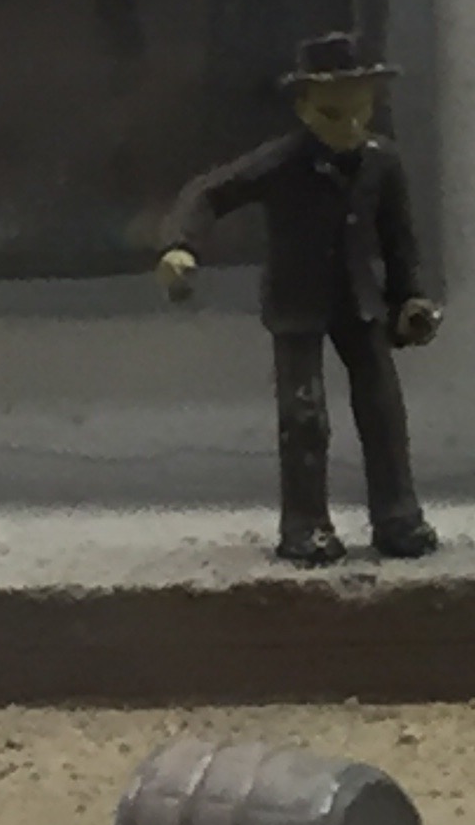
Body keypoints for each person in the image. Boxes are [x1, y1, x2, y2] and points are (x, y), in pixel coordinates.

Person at [157, 33, 442, 567]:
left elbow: (400, 241)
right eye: (333, 112)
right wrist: (181, 244)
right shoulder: (282, 162)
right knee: (304, 415)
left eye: (360, 110)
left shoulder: (382, 162)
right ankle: (305, 525)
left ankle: (397, 515)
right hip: (298, 302)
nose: (349, 124)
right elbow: (209, 192)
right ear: (304, 106)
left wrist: (410, 300)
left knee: (383, 411)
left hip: (361, 302)